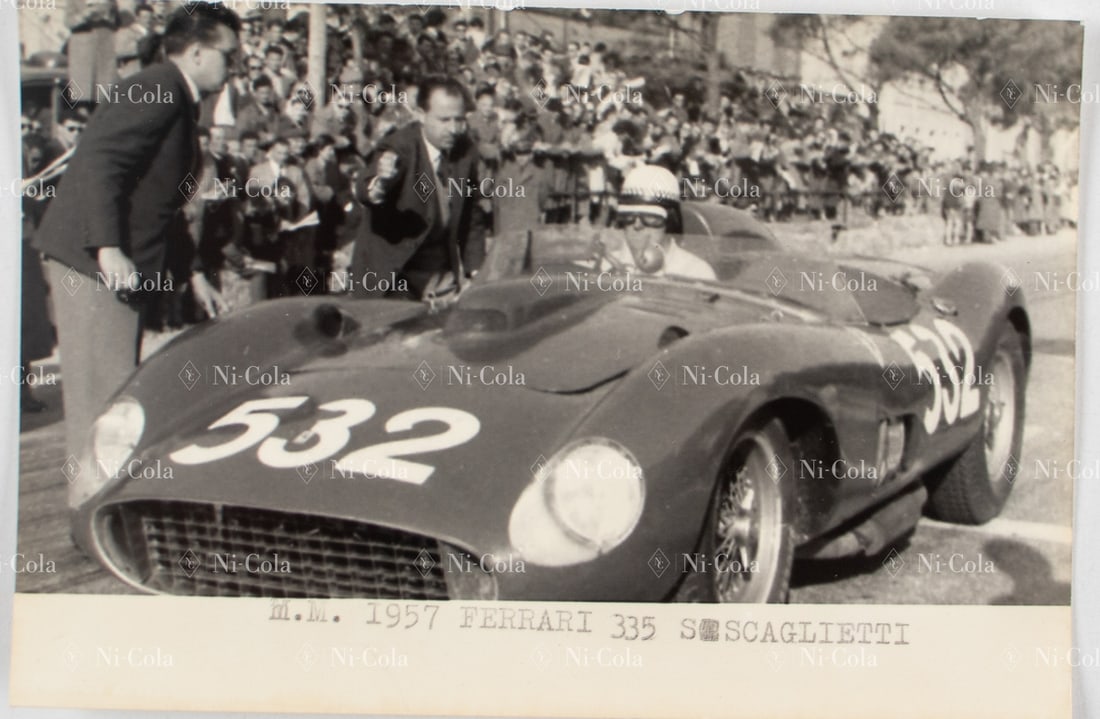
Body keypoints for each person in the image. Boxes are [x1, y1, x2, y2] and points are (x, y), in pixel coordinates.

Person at [33, 1, 240, 460]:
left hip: (109, 264)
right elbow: (100, 161)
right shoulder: (160, 86)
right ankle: (87, 517)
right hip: (92, 264)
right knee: (100, 408)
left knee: (112, 402)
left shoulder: (176, 97)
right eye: (229, 55)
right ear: (199, 53)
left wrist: (194, 272)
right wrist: (108, 247)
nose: (234, 68)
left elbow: (159, 203)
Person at [350, 76, 486, 300]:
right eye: (444, 120)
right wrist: (379, 184)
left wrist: (476, 270)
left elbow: (472, 215)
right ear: (421, 115)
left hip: (438, 269)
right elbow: (368, 186)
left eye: (459, 120)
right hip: (392, 272)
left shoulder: (465, 151)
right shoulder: (400, 146)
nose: (453, 129)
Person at [596, 164, 715, 281]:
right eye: (628, 216)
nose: (637, 225)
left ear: (670, 221)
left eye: (650, 217)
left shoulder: (695, 273)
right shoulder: (605, 266)